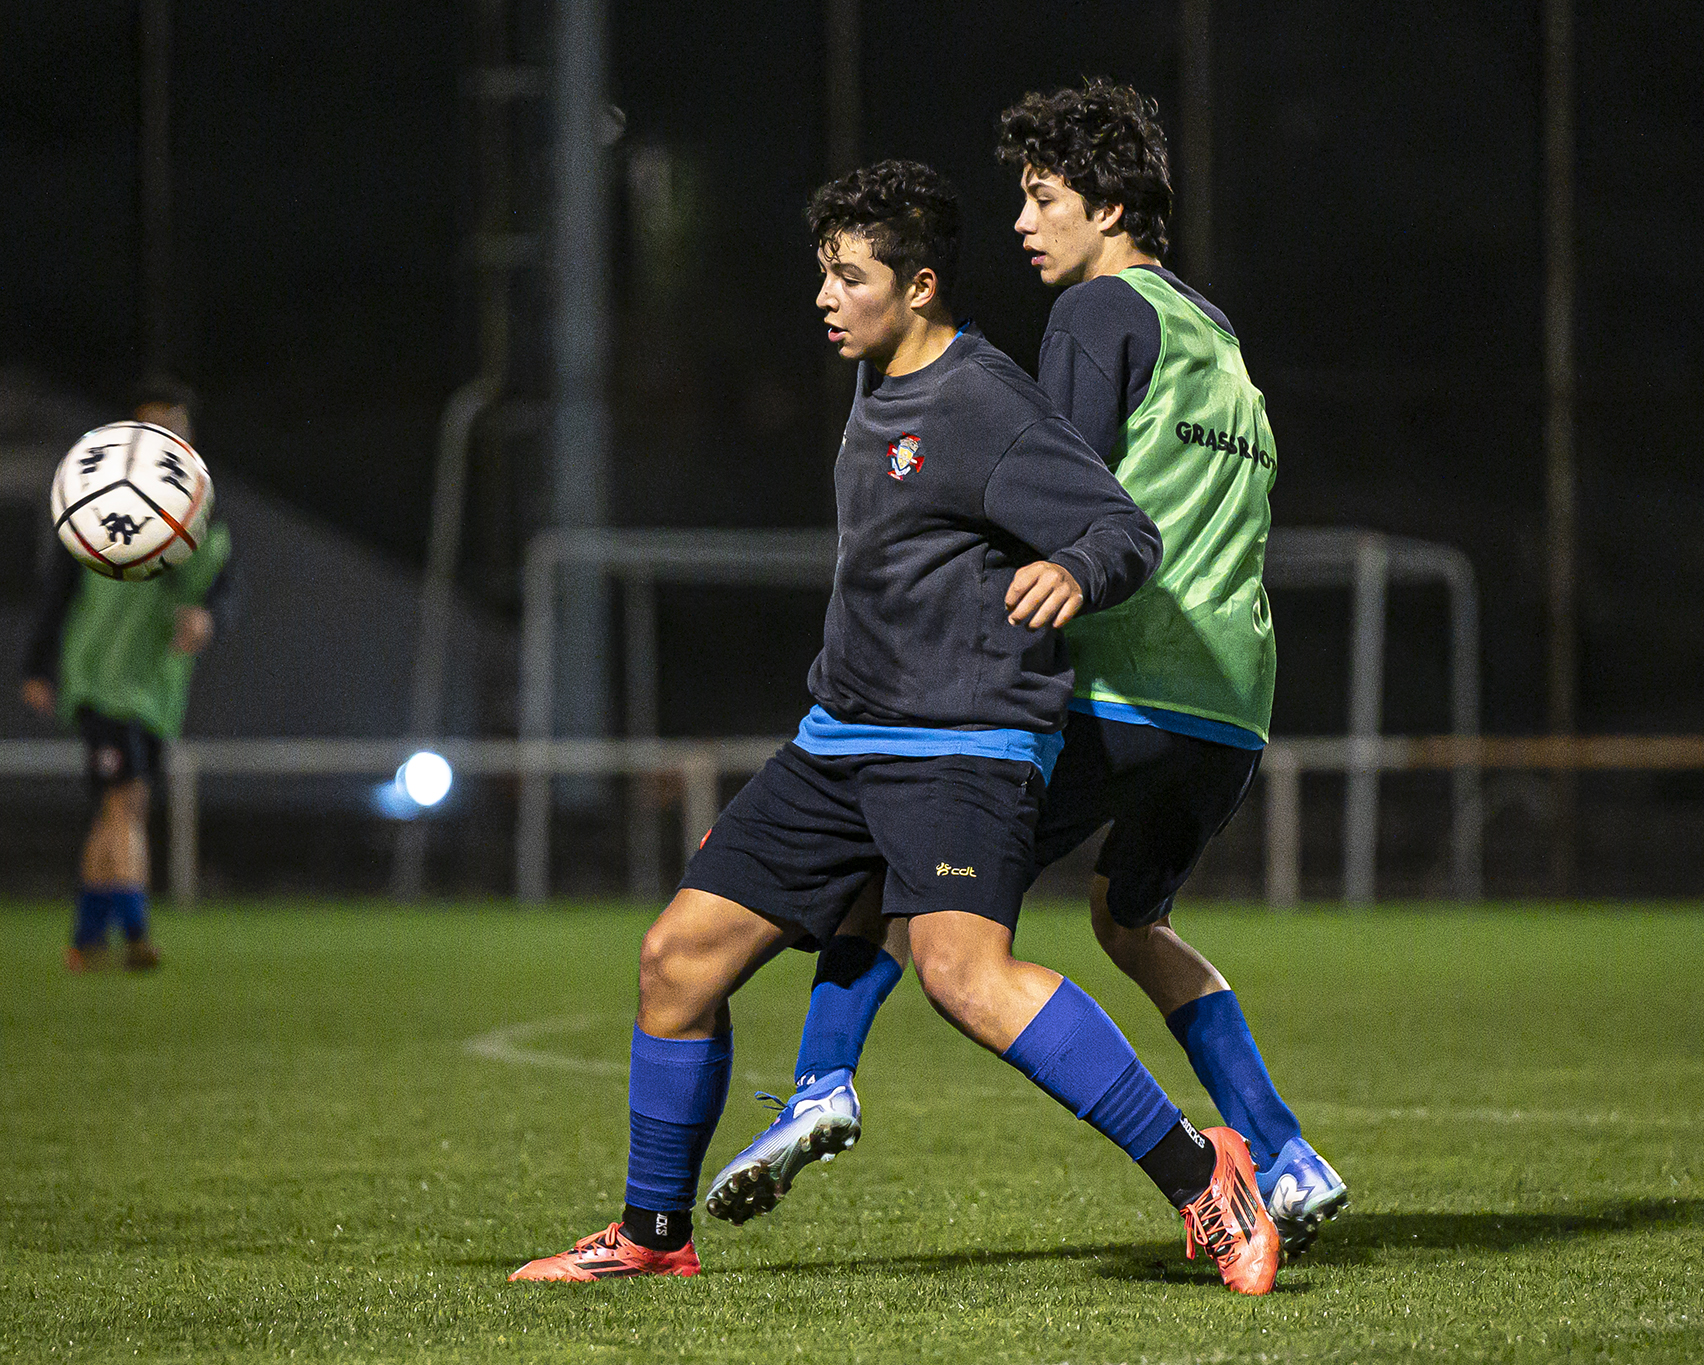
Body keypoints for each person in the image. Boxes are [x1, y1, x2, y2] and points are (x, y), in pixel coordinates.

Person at [511, 161, 1278, 1294]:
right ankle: (651, 1235)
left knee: (963, 977)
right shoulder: (876, 381)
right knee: (676, 960)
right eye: (820, 275)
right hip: (839, 740)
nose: (825, 298)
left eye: (849, 277)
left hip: (963, 739)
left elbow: (1121, 528)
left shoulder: (985, 404)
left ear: (918, 286)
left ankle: (1202, 1174)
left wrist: (1071, 566)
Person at [707, 82, 1346, 1257]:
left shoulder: (1096, 316)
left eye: (1042, 198)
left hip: (1118, 684)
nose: (1020, 223)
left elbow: (1047, 477)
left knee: (904, 866)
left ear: (1106, 208)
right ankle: (1288, 1152)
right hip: (1230, 706)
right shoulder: (1214, 332)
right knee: (1130, 919)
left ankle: (821, 1082)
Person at [21, 377, 238, 972]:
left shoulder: (196, 514)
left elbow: (219, 592)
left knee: (119, 810)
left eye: (176, 425)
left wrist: (208, 619)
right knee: (127, 803)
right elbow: (58, 588)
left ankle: (87, 939)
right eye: (155, 426)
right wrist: (39, 665)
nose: (167, 436)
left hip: (155, 689)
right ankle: (137, 933)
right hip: (104, 681)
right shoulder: (97, 502)